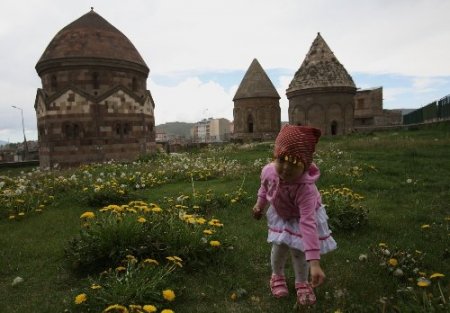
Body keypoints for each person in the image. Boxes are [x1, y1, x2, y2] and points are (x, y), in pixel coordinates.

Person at [252, 124, 337, 305]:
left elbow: (308, 223)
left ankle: (302, 282)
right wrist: (259, 205)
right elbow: (264, 187)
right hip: (282, 213)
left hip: (301, 218)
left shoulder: (306, 189)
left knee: (299, 251)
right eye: (281, 159)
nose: (285, 168)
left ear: (305, 165)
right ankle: (277, 275)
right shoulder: (269, 171)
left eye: (294, 163)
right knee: (279, 248)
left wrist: (315, 263)